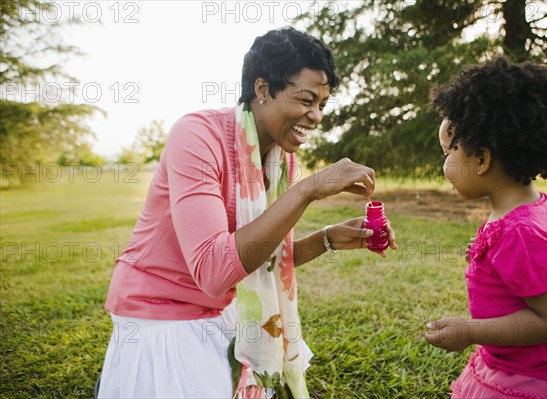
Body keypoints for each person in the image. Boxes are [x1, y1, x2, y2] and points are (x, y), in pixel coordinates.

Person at [97, 27, 397, 399]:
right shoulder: (197, 136)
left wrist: (328, 238)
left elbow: (262, 257)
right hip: (161, 313)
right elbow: (213, 270)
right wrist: (309, 189)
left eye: (322, 104)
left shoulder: (278, 159)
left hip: (216, 310)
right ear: (262, 89)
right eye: (306, 99)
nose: (316, 116)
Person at [424, 56, 547, 398]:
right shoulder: (525, 210)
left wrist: (470, 331)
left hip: (537, 379)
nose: (444, 165)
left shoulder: (521, 233)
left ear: (482, 159)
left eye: (448, 153)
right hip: (532, 365)